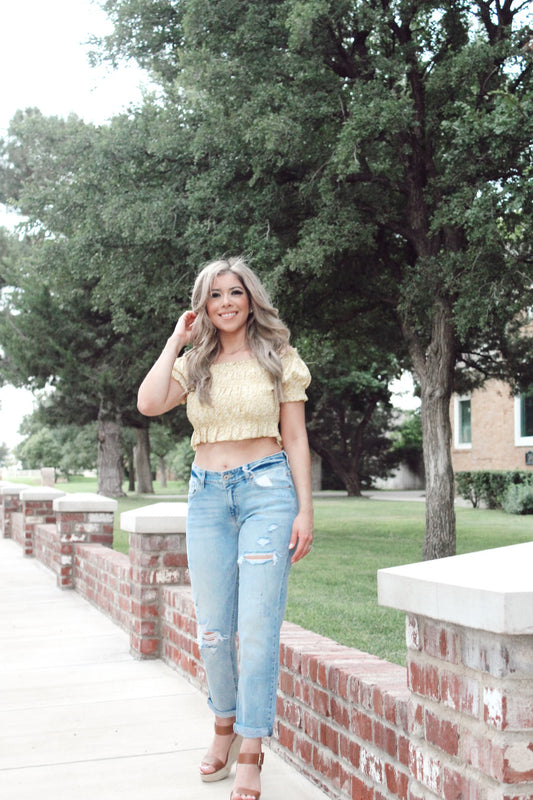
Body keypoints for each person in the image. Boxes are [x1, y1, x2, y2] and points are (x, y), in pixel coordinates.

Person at [137, 256, 313, 800]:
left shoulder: (279, 358)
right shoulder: (196, 363)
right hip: (207, 497)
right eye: (215, 295)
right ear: (203, 306)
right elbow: (148, 403)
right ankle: (222, 725)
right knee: (213, 629)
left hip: (267, 494)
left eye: (235, 292)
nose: (227, 302)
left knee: (257, 631)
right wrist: (175, 341)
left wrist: (305, 510)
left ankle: (252, 749)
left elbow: (297, 438)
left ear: (250, 297)